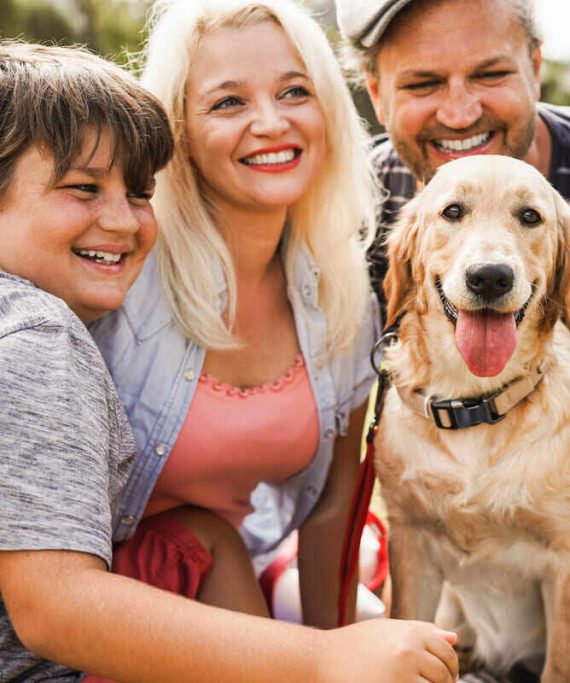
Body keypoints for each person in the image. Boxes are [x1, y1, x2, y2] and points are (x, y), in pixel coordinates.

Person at [0, 40, 458, 683]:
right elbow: (52, 608)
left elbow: (326, 503)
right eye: (81, 188)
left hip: (206, 558)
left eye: (137, 193)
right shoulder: (41, 338)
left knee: (201, 536)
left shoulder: (337, 291)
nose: (124, 220)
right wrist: (322, 658)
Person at [88, 0, 387, 629]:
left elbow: (334, 498)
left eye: (294, 92)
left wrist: (335, 650)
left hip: (240, 572)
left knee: (379, 635)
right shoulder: (116, 268)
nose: (271, 122)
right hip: (107, 591)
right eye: (229, 102)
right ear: (177, 128)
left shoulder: (340, 285)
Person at [336, 0, 570, 381]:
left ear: (534, 70)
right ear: (377, 94)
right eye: (423, 84)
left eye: (490, 74)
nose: (459, 114)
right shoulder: (347, 203)